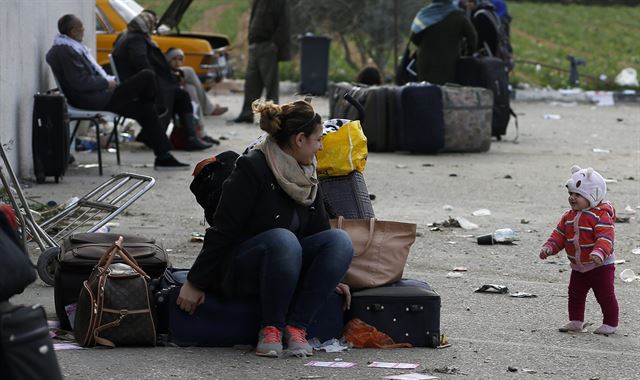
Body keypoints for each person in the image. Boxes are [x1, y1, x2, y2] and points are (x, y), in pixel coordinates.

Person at [177, 99, 353, 357]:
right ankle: (270, 327)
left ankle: (296, 328)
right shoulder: (253, 166)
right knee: (283, 239)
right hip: (245, 266)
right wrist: (195, 282)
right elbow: (223, 229)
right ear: (300, 139)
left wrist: (331, 275)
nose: (321, 146)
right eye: (318, 139)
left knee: (340, 241)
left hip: (288, 266)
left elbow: (317, 233)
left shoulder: (307, 172)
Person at [46, 14, 189, 170]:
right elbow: (80, 82)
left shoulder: (71, 48)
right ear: (73, 31)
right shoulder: (65, 51)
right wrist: (107, 82)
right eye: (81, 28)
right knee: (147, 76)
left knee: (145, 109)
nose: (83, 30)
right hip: (93, 99)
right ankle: (152, 104)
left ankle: (164, 157)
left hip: (100, 96)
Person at [111, 11, 211, 151]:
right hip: (145, 85)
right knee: (179, 94)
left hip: (145, 82)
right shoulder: (136, 39)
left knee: (183, 93)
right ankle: (186, 137)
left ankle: (191, 137)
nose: (153, 27)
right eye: (152, 24)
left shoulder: (130, 35)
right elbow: (142, 64)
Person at [539, 165, 618, 335]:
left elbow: (606, 237)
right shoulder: (569, 216)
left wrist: (599, 252)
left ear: (593, 195)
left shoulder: (600, 215)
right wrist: (549, 247)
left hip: (600, 266)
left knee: (605, 295)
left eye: (578, 195)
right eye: (571, 194)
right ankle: (576, 320)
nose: (572, 198)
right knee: (575, 294)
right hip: (579, 265)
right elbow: (559, 234)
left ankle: (611, 322)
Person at [233, 0, 291, 123]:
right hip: (255, 45)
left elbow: (283, 24)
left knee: (270, 85)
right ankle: (247, 113)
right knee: (251, 83)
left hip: (267, 45)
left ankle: (272, 117)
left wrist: (274, 44)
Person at [165, 47, 226, 145]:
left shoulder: (177, 73)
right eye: (174, 59)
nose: (177, 62)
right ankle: (209, 108)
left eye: (180, 59)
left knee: (190, 89)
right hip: (166, 96)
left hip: (177, 95)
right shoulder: (165, 71)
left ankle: (201, 133)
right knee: (189, 70)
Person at [410, 0, 477, 85]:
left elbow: (414, 38)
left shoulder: (424, 14)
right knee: (447, 93)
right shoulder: (458, 15)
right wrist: (468, 55)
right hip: (449, 64)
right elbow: (472, 37)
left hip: (426, 64)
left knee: (426, 93)